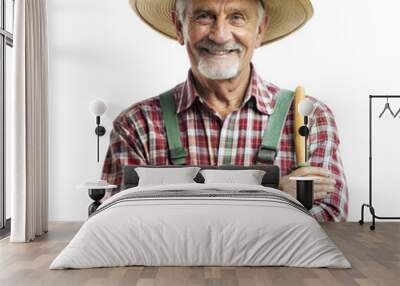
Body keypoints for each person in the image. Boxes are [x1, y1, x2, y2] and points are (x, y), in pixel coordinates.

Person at [101, 0, 348, 222]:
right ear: (179, 27)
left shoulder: (309, 117)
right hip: (171, 275)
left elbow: (328, 220)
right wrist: (276, 196)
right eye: (204, 16)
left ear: (260, 29)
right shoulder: (136, 125)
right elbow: (118, 223)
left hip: (278, 276)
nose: (220, 36)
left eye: (237, 17)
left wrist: (177, 209)